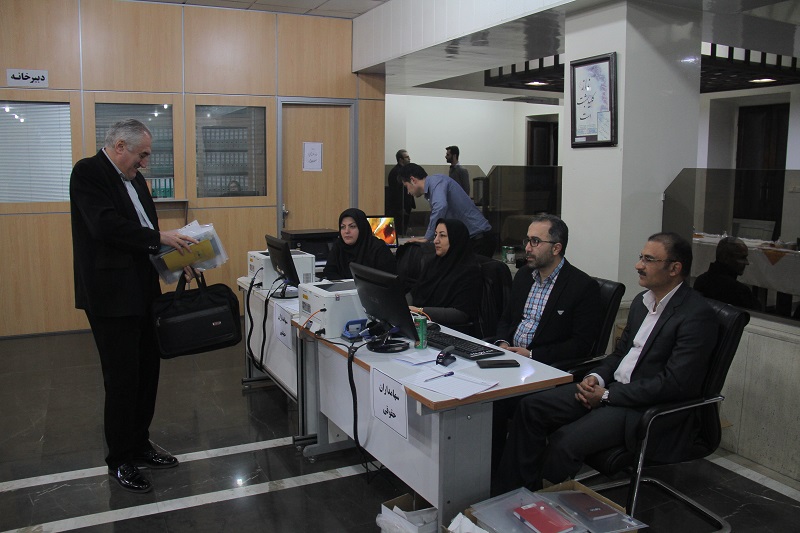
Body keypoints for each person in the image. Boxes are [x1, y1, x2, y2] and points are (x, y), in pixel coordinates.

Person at [494, 232, 718, 494]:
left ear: (674, 268)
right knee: (531, 407)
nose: (638, 265)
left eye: (648, 259)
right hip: (610, 389)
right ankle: (511, 493)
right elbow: (619, 354)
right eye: (641, 257)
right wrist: (596, 378)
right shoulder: (642, 302)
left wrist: (607, 395)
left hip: (643, 408)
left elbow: (675, 383)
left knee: (564, 442)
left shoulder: (695, 315)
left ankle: (542, 503)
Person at [70, 119, 197, 494]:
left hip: (143, 291)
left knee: (147, 372)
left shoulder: (137, 181)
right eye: (141, 155)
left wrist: (179, 261)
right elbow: (106, 226)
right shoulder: (88, 173)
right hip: (110, 296)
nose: (144, 163)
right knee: (122, 378)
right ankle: (120, 458)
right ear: (120, 146)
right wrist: (162, 238)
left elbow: (147, 237)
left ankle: (140, 444)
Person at [494, 214, 601, 366]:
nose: (527, 248)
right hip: (509, 358)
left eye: (535, 241)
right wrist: (503, 343)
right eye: (527, 240)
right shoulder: (524, 275)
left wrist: (532, 355)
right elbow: (507, 318)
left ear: (556, 248)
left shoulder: (582, 286)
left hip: (545, 365)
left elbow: (580, 344)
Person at [400, 163, 494, 257]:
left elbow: (440, 206)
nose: (408, 192)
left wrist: (427, 238)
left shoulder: (437, 182)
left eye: (406, 186)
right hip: (472, 238)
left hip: (479, 239)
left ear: (413, 180)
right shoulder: (434, 187)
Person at [407, 219, 482, 329]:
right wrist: (402, 306)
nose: (435, 241)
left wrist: (420, 311)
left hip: (451, 330)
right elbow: (415, 292)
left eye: (442, 236)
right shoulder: (433, 263)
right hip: (423, 324)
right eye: (435, 235)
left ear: (455, 239)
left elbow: (461, 314)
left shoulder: (469, 271)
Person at [321, 208, 396, 280]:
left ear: (362, 228)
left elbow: (387, 279)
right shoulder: (338, 246)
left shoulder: (378, 249)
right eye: (343, 227)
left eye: (352, 226)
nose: (346, 231)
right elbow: (329, 272)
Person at [694, 236, 761, 310]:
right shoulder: (740, 291)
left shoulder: (700, 281)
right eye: (742, 258)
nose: (747, 263)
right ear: (726, 258)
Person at [386, 149, 415, 233]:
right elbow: (396, 192)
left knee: (404, 226)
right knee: (400, 228)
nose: (409, 159)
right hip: (400, 206)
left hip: (406, 203)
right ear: (400, 159)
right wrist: (400, 207)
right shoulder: (396, 172)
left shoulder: (405, 170)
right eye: (407, 157)